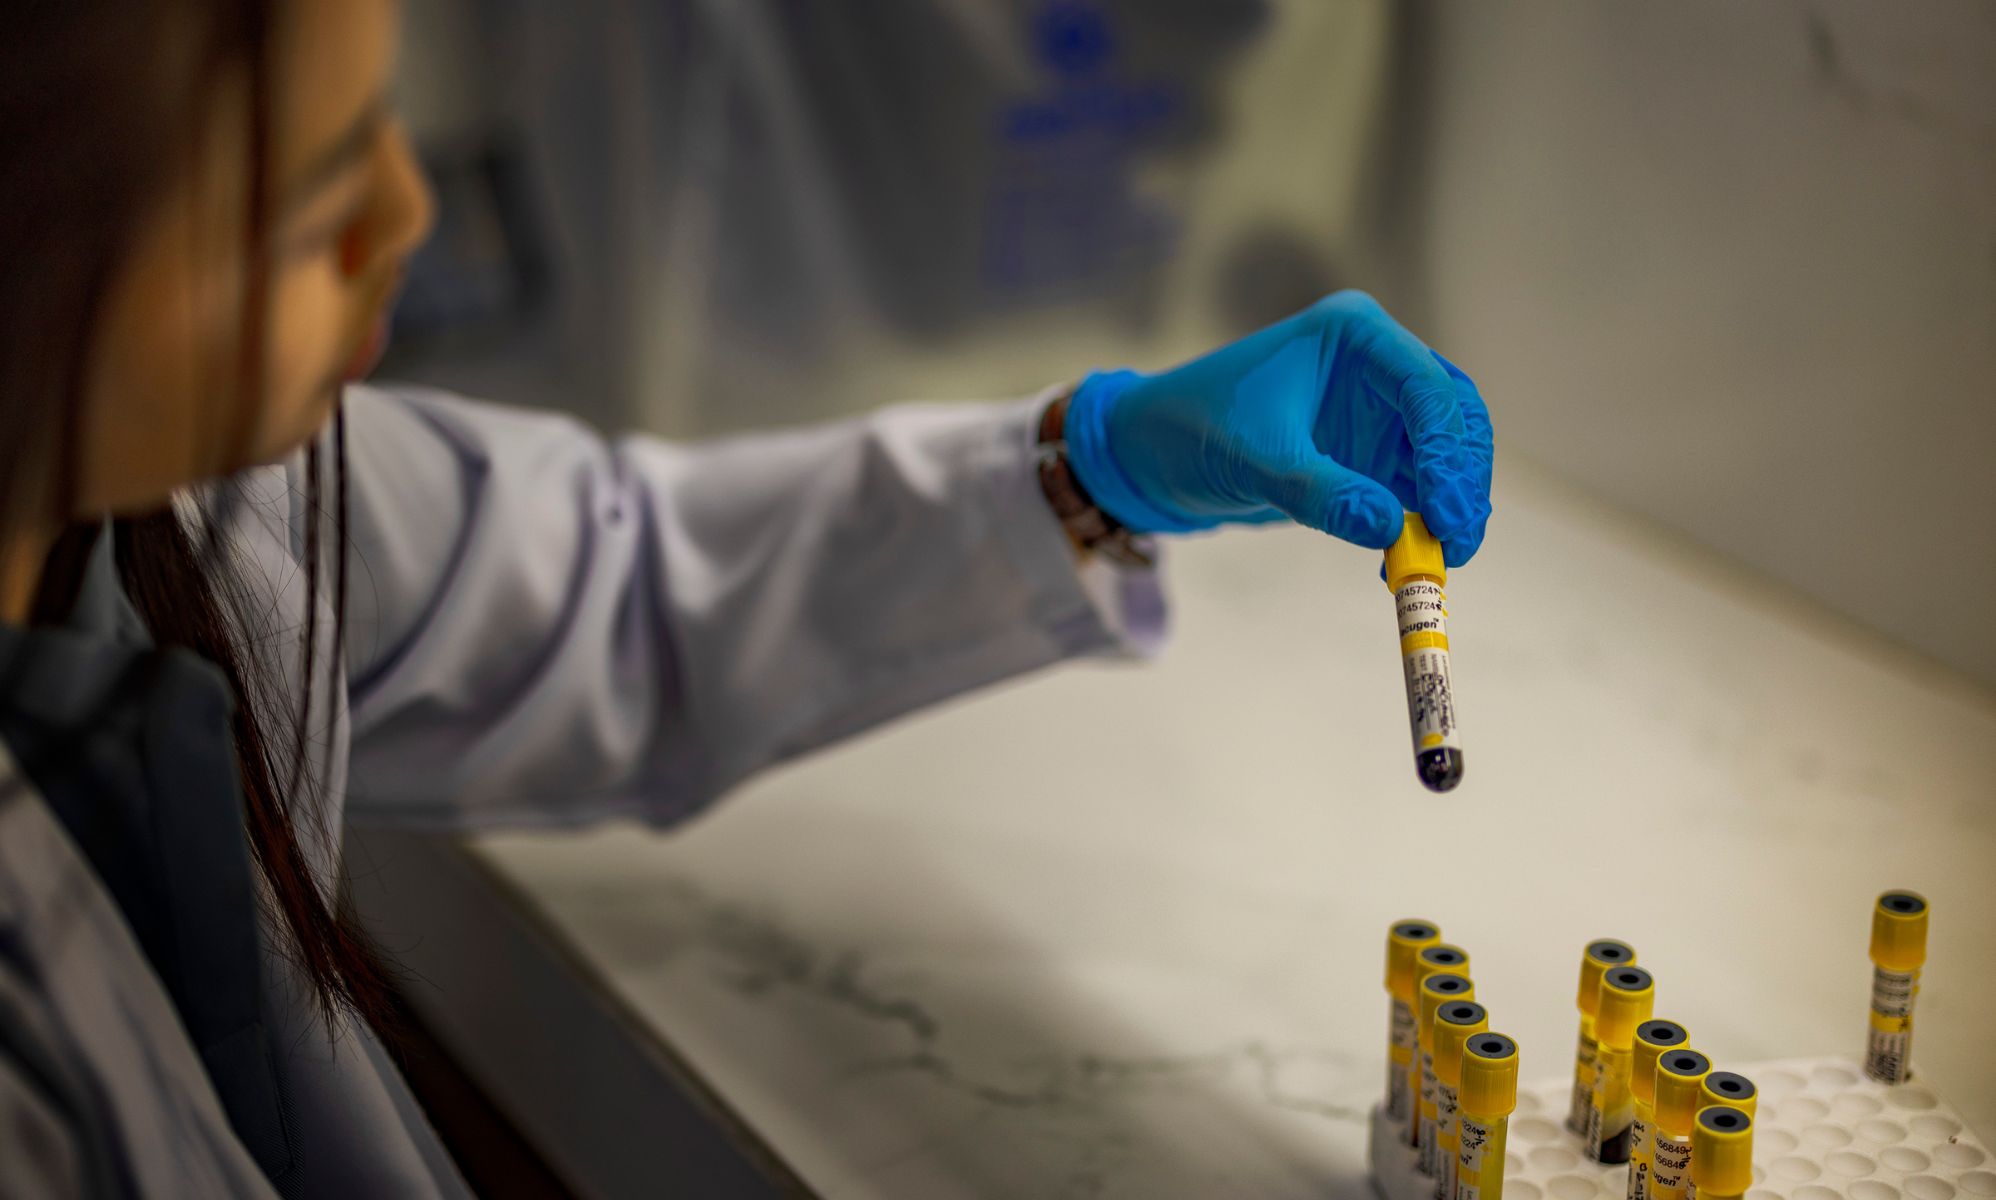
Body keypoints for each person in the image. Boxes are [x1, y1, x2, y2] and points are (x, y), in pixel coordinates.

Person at [0, 1, 1493, 1196]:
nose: (406, 215)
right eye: (302, 188)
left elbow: (608, 592)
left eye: (376, 128)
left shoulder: (203, 502)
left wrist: (1095, 465)